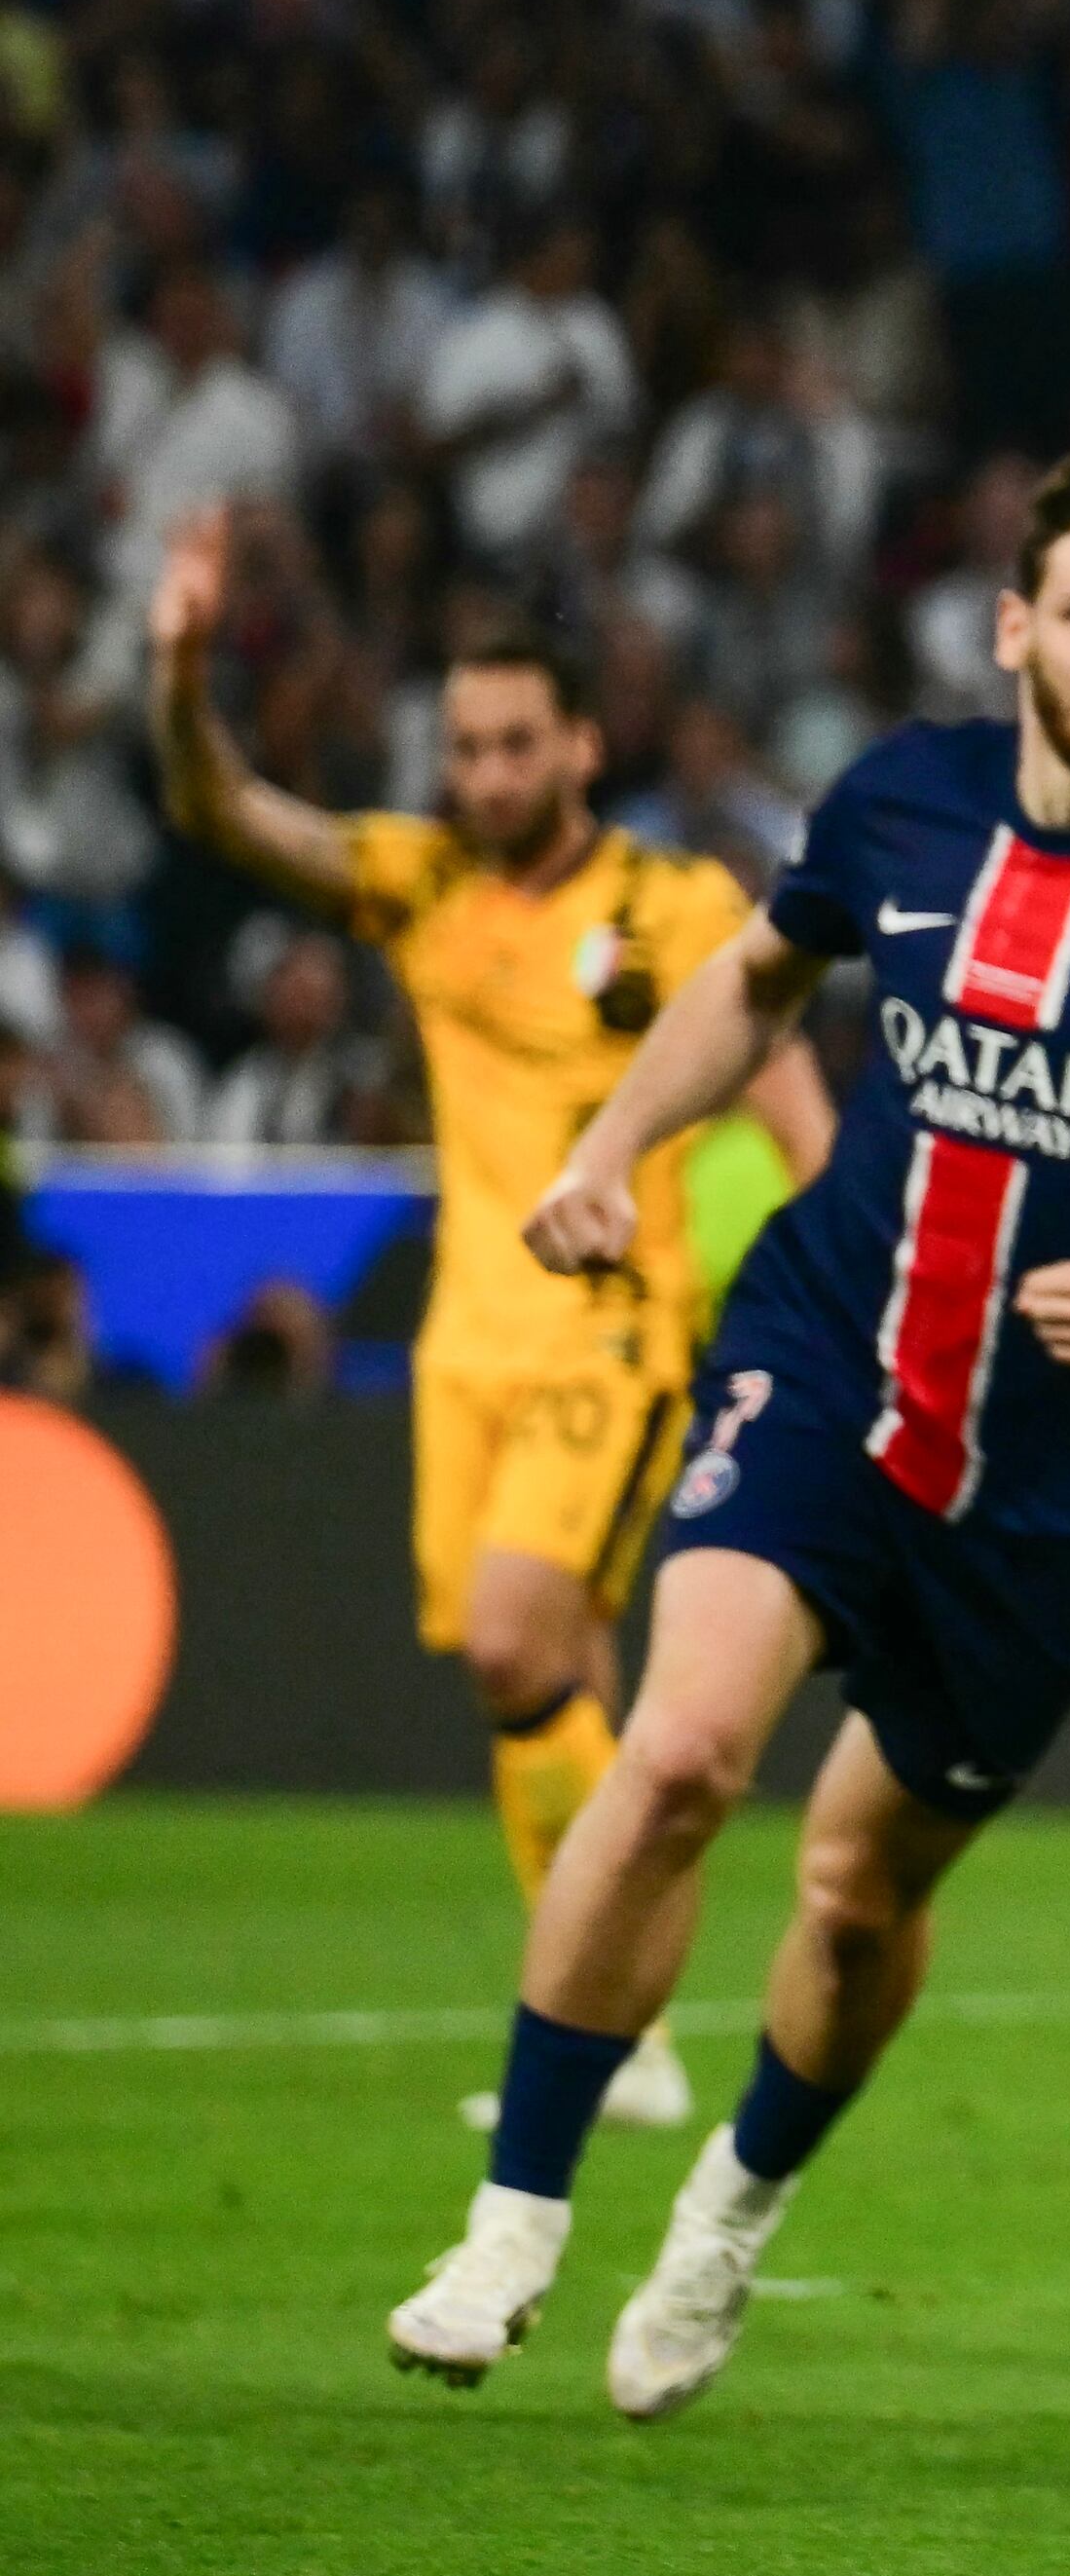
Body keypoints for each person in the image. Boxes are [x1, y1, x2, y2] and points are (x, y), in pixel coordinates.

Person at [373, 447, 1070, 2409]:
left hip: (1050, 1465)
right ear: (1017, 624)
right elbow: (755, 978)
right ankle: (513, 2213)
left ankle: (734, 2207)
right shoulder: (901, 797)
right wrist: (614, 1147)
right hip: (828, 1346)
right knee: (678, 1749)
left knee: (862, 1896)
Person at [150, 511, 833, 2137]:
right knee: (537, 1684)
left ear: (584, 744)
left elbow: (793, 1092)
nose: (484, 770)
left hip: (613, 1332)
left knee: (529, 1640)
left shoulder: (673, 903)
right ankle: (626, 2030)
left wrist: (852, 1288)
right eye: (462, 743)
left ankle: (605, 2009)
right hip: (466, 1346)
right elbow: (220, 807)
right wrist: (182, 668)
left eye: (517, 741)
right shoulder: (424, 885)